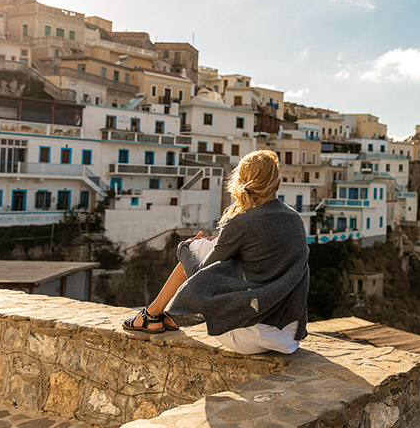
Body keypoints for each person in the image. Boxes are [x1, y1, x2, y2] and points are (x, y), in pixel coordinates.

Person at [122, 150, 309, 354]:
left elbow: (200, 280)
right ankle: (162, 315)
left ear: (240, 184)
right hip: (288, 337)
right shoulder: (295, 219)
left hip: (250, 337)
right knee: (208, 248)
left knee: (198, 247)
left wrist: (183, 248)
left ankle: (151, 316)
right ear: (278, 184)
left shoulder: (242, 223)